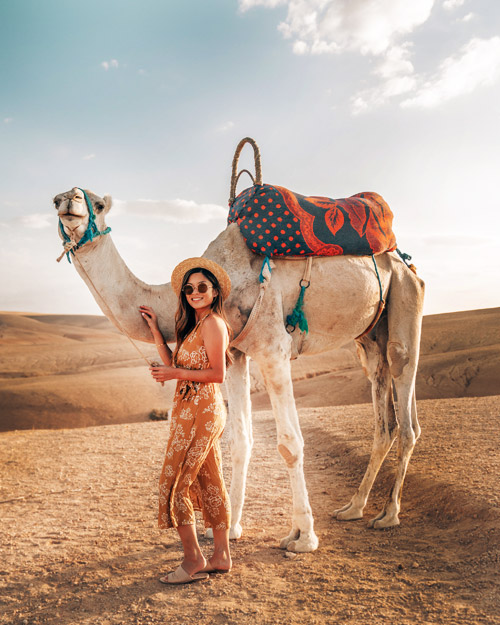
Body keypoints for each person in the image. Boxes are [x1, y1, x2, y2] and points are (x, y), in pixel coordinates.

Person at [139, 257, 233, 585]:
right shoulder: (193, 325)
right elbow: (175, 362)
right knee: (209, 480)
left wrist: (174, 373)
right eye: (189, 288)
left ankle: (194, 559)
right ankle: (220, 557)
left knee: (177, 482)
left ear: (215, 291)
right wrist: (154, 331)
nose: (195, 292)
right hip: (186, 413)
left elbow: (218, 375)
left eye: (202, 287)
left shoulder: (213, 324)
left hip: (202, 414)